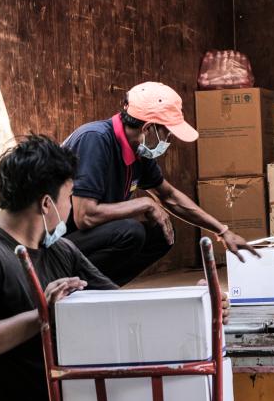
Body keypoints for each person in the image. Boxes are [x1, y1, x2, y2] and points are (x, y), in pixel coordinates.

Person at [0, 135, 232, 401]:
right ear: (46, 203)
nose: (70, 206)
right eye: (69, 196)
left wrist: (202, 307)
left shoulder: (61, 250)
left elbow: (120, 308)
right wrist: (40, 317)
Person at [62, 81, 257, 286]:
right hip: (50, 249)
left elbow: (169, 196)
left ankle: (97, 288)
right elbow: (85, 216)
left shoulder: (138, 151)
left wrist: (222, 231)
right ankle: (74, 286)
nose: (169, 140)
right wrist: (145, 204)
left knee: (162, 235)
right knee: (130, 232)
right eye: (167, 133)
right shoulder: (95, 139)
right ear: (149, 128)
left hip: (80, 243)